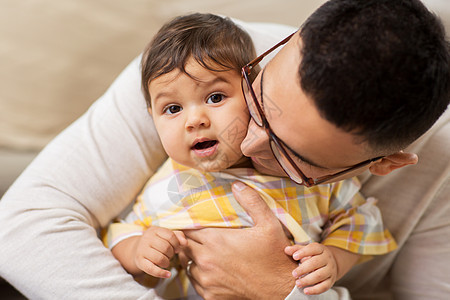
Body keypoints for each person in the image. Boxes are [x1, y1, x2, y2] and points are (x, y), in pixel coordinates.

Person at [0, 0, 448, 299]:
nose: (250, 142)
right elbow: (22, 226)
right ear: (292, 40)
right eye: (257, 102)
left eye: (291, 153)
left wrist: (279, 288)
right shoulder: (200, 69)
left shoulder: (440, 162)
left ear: (385, 163)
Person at [102, 13, 396, 299]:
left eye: (215, 97)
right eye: (173, 109)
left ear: (254, 94)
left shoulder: (304, 169)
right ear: (152, 117)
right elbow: (119, 235)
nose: (194, 120)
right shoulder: (169, 185)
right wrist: (140, 249)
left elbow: (359, 222)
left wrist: (332, 259)